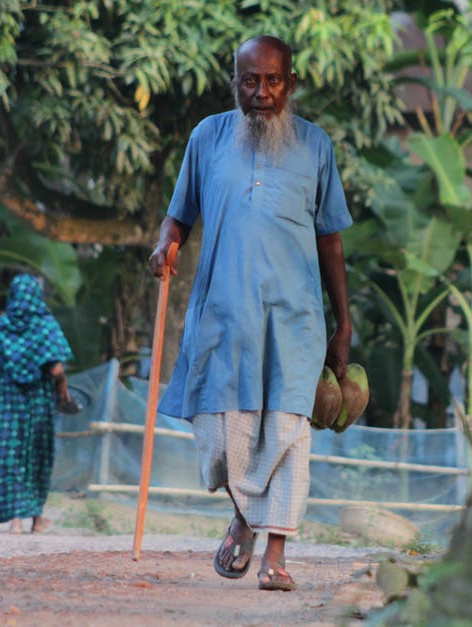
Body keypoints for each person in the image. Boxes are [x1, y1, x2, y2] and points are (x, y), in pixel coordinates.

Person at [148, 35, 352, 592]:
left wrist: (344, 323)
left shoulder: (316, 146)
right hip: (224, 314)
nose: (261, 92)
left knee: (287, 432)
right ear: (234, 81)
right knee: (224, 436)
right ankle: (244, 515)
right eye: (250, 80)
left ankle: (275, 554)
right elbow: (178, 218)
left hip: (295, 319)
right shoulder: (206, 137)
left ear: (291, 82)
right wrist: (164, 246)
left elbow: (330, 239)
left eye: (273, 80)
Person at [0, 274, 73, 534]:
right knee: (38, 456)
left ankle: (15, 521)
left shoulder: (1, 326)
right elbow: (56, 369)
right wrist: (63, 390)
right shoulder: (46, 326)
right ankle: (36, 519)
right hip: (38, 404)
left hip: (8, 404)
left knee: (10, 456)